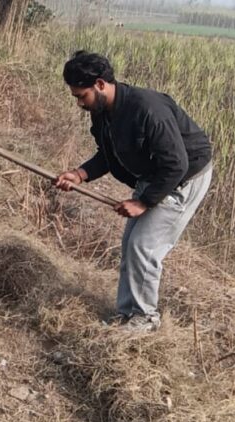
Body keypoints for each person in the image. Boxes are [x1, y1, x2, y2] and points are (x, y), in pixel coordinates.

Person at [55, 51, 213, 332]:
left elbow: (177, 164)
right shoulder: (103, 113)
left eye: (82, 96)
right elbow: (108, 154)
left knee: (144, 246)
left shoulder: (147, 109)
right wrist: (79, 174)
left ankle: (146, 318)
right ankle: (128, 313)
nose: (80, 103)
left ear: (100, 84)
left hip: (183, 177)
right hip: (155, 174)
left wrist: (143, 202)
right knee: (131, 245)